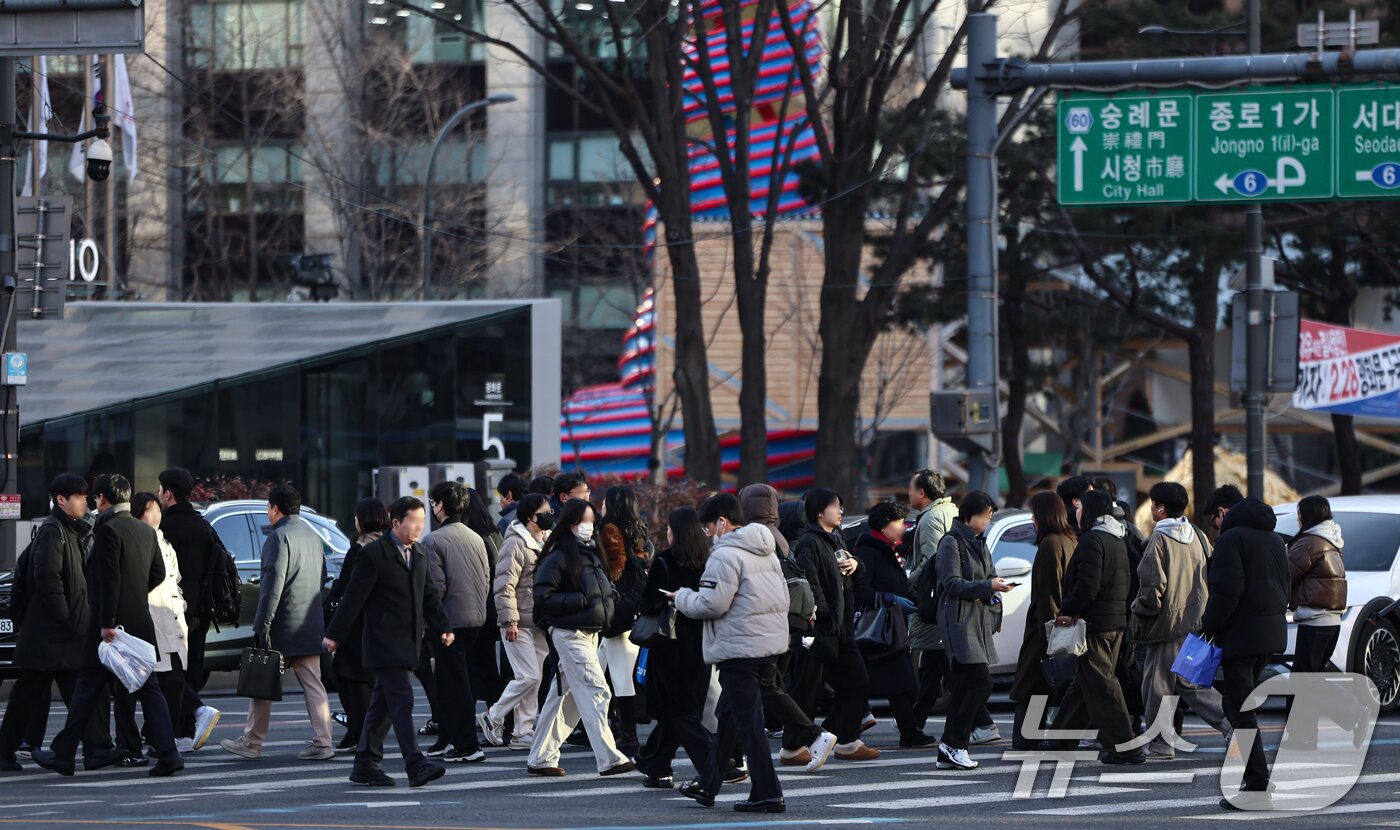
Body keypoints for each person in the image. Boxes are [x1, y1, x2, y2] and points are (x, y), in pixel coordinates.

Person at [32, 475, 183, 778]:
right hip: (140, 623)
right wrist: (135, 595)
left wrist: (107, 622)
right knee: (146, 687)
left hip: (109, 628)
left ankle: (63, 754)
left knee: (87, 688)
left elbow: (109, 579)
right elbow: (157, 572)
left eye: (95, 497)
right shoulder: (145, 530)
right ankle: (168, 753)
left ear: (103, 499)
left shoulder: (108, 529)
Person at [672, 493, 790, 814]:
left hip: (738, 648)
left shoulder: (724, 555)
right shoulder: (766, 550)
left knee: (749, 723)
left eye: (708, 527)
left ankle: (767, 791)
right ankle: (709, 783)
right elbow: (782, 597)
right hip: (765, 645)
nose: (708, 534)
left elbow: (712, 604)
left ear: (722, 522)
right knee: (729, 717)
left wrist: (682, 597)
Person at [325, 496, 454, 788]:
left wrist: (443, 626)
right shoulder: (373, 554)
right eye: (414, 521)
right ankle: (415, 764)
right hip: (383, 641)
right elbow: (353, 598)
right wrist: (335, 634)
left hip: (410, 640)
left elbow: (429, 596)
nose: (419, 527)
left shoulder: (419, 553)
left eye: (422, 521)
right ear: (396, 523)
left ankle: (365, 764)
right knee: (402, 699)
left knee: (382, 706)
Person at [0, 473, 116, 771]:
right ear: (61, 500)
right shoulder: (53, 531)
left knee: (75, 693)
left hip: (60, 634)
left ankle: (92, 749)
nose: (85, 501)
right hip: (51, 633)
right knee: (38, 695)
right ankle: (91, 749)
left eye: (85, 496)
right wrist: (66, 615)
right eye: (78, 496)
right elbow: (48, 579)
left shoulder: (74, 529)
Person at [220, 485, 334, 762]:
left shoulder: (278, 538)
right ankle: (324, 742)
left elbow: (272, 587)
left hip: (282, 625)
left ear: (274, 508)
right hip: (310, 623)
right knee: (314, 686)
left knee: (261, 684)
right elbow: (321, 577)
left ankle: (252, 742)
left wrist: (262, 626)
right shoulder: (312, 535)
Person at [526, 498, 634, 778]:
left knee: (566, 698)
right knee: (598, 691)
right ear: (571, 524)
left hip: (589, 633)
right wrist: (582, 600)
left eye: (591, 520)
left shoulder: (590, 552)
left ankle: (540, 757)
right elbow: (543, 598)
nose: (589, 526)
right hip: (569, 633)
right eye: (584, 521)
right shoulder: (558, 556)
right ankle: (610, 758)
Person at [1201, 485, 1288, 810]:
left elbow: (1226, 593)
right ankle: (1257, 779)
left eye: (1214, 521)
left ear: (1223, 512)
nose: (1215, 528)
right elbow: (1286, 586)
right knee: (1239, 706)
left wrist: (1208, 628)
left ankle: (1256, 785)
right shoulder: (1274, 539)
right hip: (1270, 634)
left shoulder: (1231, 540)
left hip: (1241, 636)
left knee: (1239, 709)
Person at [1129, 482, 1230, 760]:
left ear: (1161, 509)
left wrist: (1139, 609)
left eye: (1153, 504)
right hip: (1197, 621)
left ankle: (1161, 744)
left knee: (1157, 686)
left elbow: (1152, 589)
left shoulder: (1158, 540)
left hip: (1166, 626)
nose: (1151, 508)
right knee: (1193, 683)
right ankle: (1234, 725)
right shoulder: (1198, 534)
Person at [738, 483, 835, 772]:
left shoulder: (753, 537)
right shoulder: (778, 537)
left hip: (757, 625)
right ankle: (732, 760)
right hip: (782, 622)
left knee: (762, 687)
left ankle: (810, 736)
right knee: (756, 689)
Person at [1051, 489, 1143, 765]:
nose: (1076, 513)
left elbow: (1088, 585)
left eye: (1080, 508)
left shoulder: (1093, 539)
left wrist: (1067, 609)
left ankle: (1126, 747)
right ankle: (1061, 740)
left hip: (1095, 624)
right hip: (1114, 621)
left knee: (1102, 685)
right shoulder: (1117, 537)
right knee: (1086, 682)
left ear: (1090, 511)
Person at [791, 489, 878, 762]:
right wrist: (827, 614)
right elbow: (811, 587)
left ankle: (846, 741)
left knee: (856, 682)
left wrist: (855, 564)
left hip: (842, 628)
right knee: (808, 689)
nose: (840, 511)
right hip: (821, 628)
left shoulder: (836, 538)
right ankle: (793, 747)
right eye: (835, 506)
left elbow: (856, 577)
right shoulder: (809, 543)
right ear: (819, 512)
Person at [634, 508, 712, 789]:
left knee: (677, 712)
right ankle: (656, 765)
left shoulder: (664, 562)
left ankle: (715, 765)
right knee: (681, 709)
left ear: (676, 532)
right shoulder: (709, 561)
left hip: (669, 645)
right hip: (702, 643)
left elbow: (648, 602)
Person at [934, 491, 1010, 771]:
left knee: (965, 686)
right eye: (985, 516)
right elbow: (952, 584)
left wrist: (995, 585)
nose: (988, 521)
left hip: (977, 619)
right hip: (959, 621)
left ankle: (949, 748)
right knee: (981, 683)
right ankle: (955, 745)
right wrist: (989, 586)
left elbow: (989, 575)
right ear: (970, 515)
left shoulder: (979, 542)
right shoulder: (951, 542)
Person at [419, 481, 491, 763]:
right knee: (455, 681)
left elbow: (435, 589)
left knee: (454, 685)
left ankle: (467, 745)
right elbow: (485, 578)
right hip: (476, 618)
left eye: (433, 502)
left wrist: (430, 622)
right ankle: (448, 739)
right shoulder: (475, 537)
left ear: (440, 505)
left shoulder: (434, 540)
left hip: (449, 624)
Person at [852, 501, 934, 748]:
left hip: (892, 628)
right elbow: (861, 591)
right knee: (895, 684)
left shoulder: (890, 550)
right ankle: (908, 734)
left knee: (898, 684)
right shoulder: (869, 552)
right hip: (878, 630)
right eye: (899, 522)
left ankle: (908, 733)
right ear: (885, 526)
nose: (903, 527)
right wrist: (890, 599)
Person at [156, 467, 222, 753]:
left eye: (160, 490)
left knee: (169, 673)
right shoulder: (203, 526)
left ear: (168, 494)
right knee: (191, 670)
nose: (158, 494)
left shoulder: (165, 529)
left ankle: (182, 725)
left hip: (172, 610)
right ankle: (185, 731)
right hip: (202, 611)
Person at [481, 493, 552, 751]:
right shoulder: (515, 543)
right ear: (531, 516)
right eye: (545, 512)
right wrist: (509, 620)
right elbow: (504, 586)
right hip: (518, 622)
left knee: (534, 678)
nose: (550, 516)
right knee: (528, 676)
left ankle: (523, 731)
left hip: (538, 621)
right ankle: (494, 715)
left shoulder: (545, 540)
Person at [1009, 491, 1076, 750]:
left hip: (1047, 627)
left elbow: (1048, 592)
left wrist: (1048, 630)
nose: (1032, 520)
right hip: (1062, 623)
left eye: (1034, 514)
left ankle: (1026, 738)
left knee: (1031, 683)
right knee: (1047, 682)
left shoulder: (1050, 544)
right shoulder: (1070, 539)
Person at [127, 492, 191, 756]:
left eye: (157, 510)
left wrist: (180, 605)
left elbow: (175, 580)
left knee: (173, 682)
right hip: (151, 620)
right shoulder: (137, 542)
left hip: (172, 622)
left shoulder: (165, 542)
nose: (155, 516)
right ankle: (153, 739)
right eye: (148, 511)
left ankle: (160, 738)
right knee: (150, 685)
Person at [1284, 495, 1347, 748]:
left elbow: (1286, 574)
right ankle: (1305, 737)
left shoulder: (1310, 542)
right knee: (1308, 681)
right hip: (1330, 621)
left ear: (1307, 516)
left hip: (1315, 621)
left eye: (1299, 514)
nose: (1298, 519)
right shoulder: (1331, 538)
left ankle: (1355, 713)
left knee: (1304, 682)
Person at [325, 498, 387, 751]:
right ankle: (357, 731)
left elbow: (348, 589)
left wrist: (333, 627)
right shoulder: (388, 545)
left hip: (356, 623)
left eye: (357, 517)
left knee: (351, 678)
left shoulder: (361, 549)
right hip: (375, 621)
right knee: (355, 677)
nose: (354, 521)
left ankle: (361, 733)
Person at [597, 486, 650, 756]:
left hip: (617, 613)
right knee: (613, 673)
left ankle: (627, 735)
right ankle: (619, 730)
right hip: (634, 610)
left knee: (617, 676)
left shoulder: (609, 530)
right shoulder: (639, 530)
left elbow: (613, 572)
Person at [906, 470, 959, 735]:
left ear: (922, 493)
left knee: (942, 663)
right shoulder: (951, 511)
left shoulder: (930, 519)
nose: (908, 493)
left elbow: (931, 561)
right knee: (933, 665)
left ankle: (981, 721)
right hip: (945, 598)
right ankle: (914, 722)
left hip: (932, 600)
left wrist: (910, 580)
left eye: (911, 488)